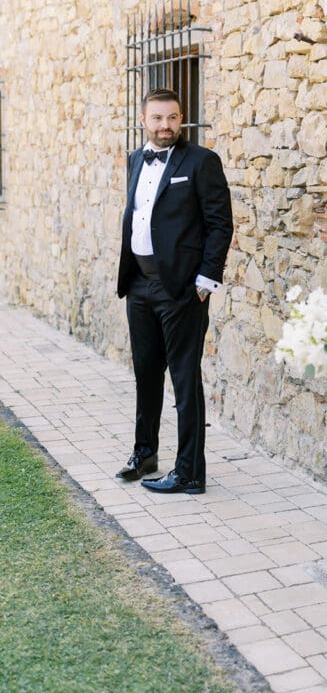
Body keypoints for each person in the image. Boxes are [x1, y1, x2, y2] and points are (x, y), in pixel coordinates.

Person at [116, 88, 233, 495]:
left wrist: (205, 281)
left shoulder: (201, 162)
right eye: (157, 118)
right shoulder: (135, 159)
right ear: (144, 120)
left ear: (181, 119)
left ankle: (189, 473)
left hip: (182, 289)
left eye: (173, 118)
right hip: (139, 284)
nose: (165, 126)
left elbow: (220, 224)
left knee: (185, 381)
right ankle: (145, 453)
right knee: (146, 373)